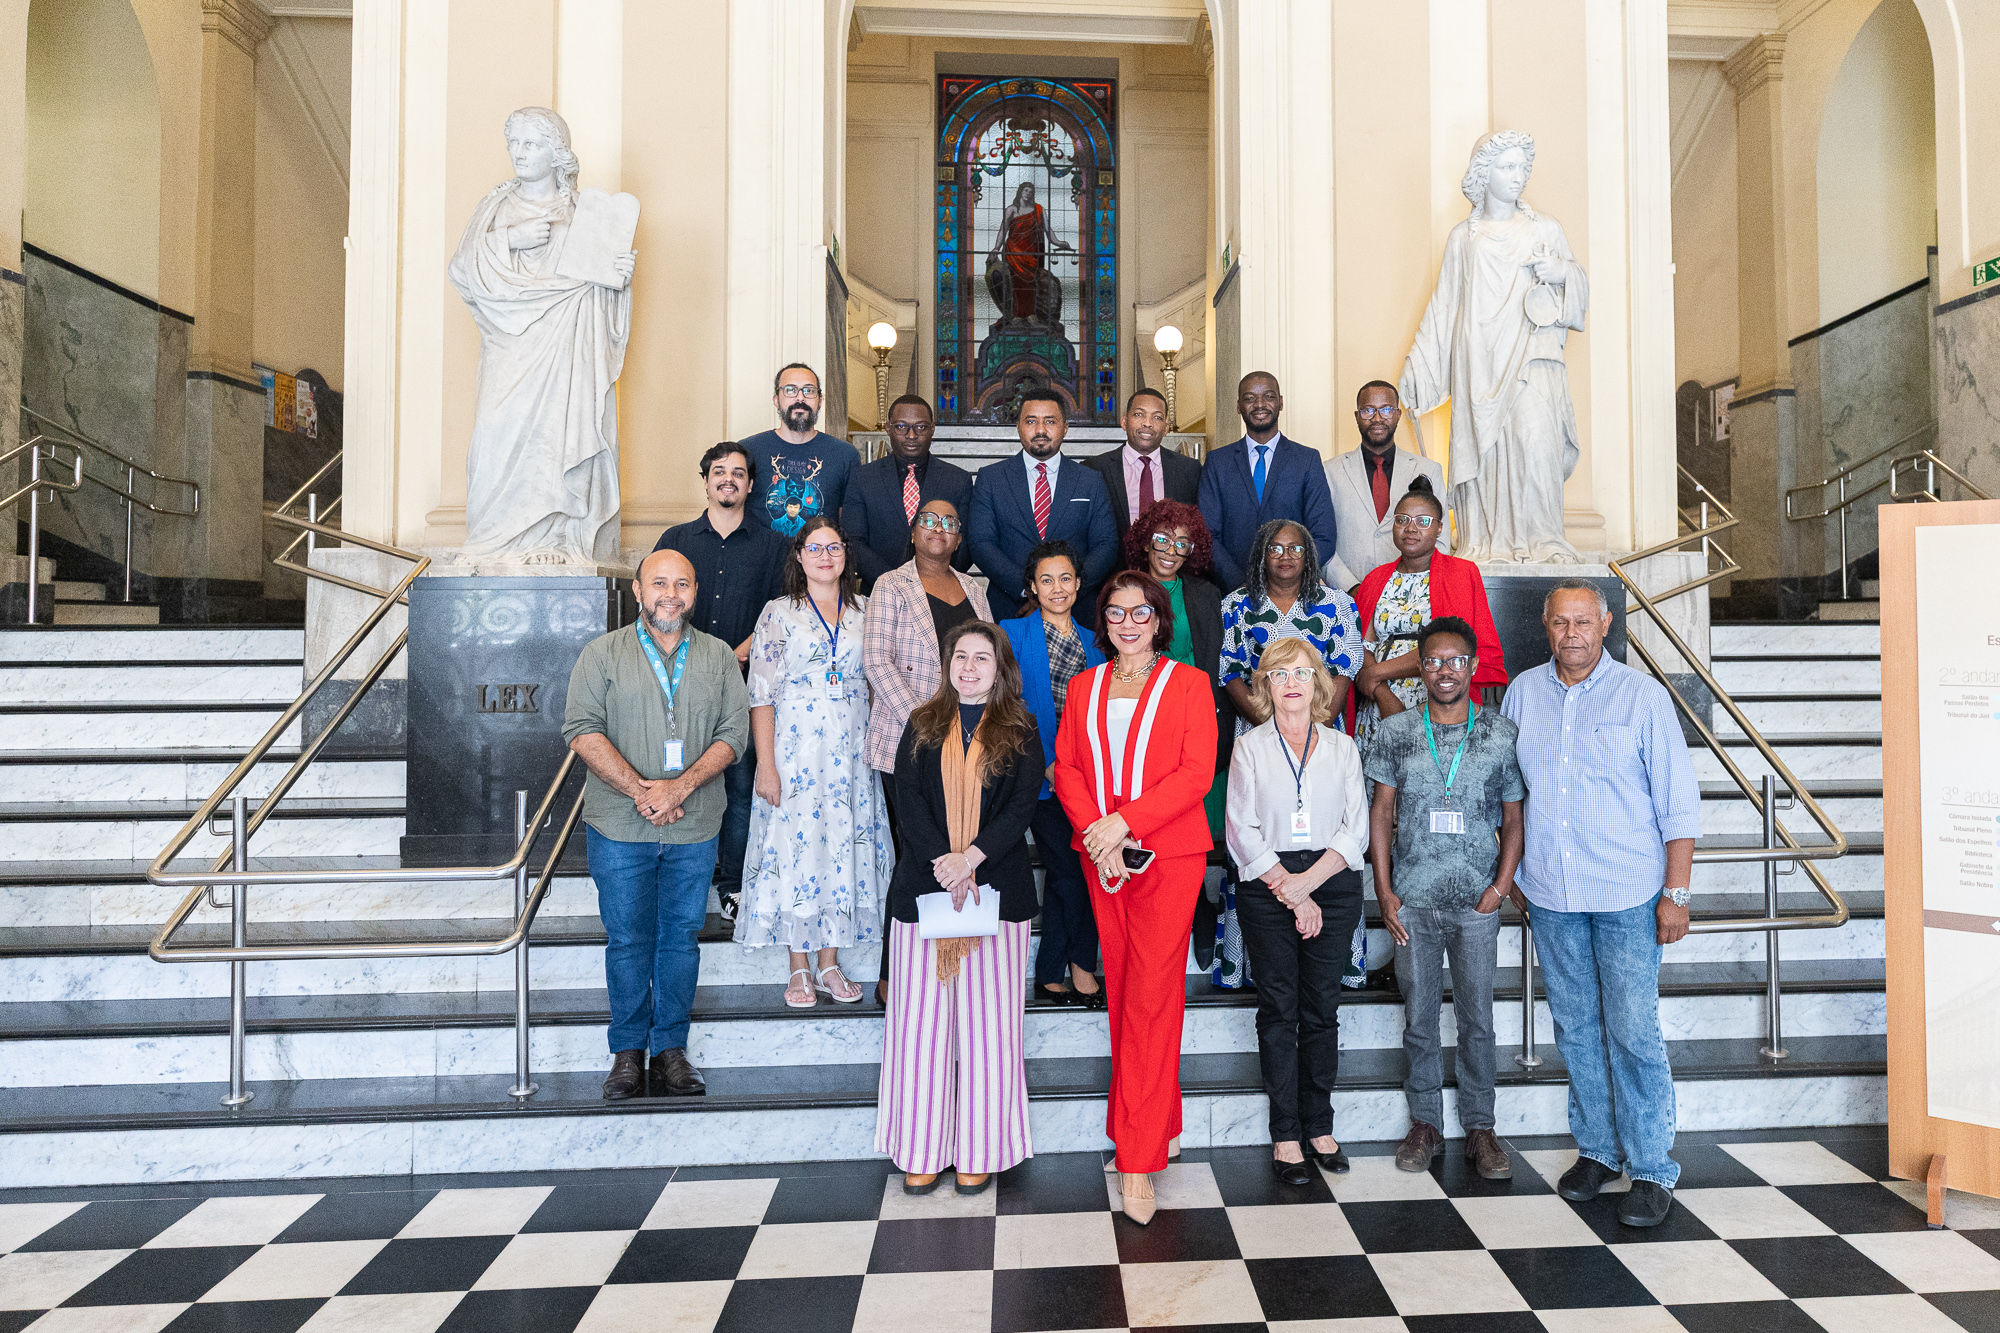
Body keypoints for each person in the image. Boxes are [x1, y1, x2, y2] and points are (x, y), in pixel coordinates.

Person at [1501, 579, 1700, 1229]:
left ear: (1607, 623)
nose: (1573, 633)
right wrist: (1518, 879)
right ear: (1546, 623)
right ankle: (1597, 1150)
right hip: (1553, 896)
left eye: (1584, 621)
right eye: (1561, 622)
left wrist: (1676, 892)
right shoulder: (1523, 692)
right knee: (1577, 1027)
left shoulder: (1642, 698)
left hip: (1627, 894)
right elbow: (1511, 791)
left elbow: (1678, 805)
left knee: (1633, 1031)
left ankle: (1649, 1165)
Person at [1053, 570, 1218, 1226]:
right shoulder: (1084, 685)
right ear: (1106, 620)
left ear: (1158, 620)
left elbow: (1195, 773)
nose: (1128, 623)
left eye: (1140, 612)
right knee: (1128, 991)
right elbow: (1066, 765)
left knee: (1150, 994)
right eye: (1117, 612)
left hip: (1168, 857)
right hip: (1104, 858)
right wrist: (1100, 832)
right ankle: (1162, 1115)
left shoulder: (1189, 684)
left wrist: (1124, 823)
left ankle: (1138, 1156)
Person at [563, 549, 749, 1100]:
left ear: (695, 593)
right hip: (620, 826)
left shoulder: (717, 657)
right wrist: (642, 791)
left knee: (680, 940)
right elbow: (581, 730)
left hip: (693, 828)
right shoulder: (600, 655)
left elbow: (734, 735)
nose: (671, 593)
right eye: (659, 583)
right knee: (627, 940)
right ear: (638, 591)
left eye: (682, 584)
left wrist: (679, 789)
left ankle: (670, 1050)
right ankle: (626, 1054)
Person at [876, 622, 1043, 1195]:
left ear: (1000, 670)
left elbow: (1021, 807)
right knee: (920, 1030)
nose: (969, 667)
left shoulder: (1019, 728)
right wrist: (944, 863)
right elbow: (908, 800)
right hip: (924, 892)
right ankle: (921, 1147)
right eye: (960, 657)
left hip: (996, 895)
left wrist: (971, 857)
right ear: (947, 664)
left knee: (987, 1031)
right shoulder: (921, 724)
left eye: (982, 659)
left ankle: (981, 1146)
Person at [1364, 616, 1524, 1180]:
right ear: (1420, 668)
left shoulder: (1499, 733)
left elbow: (1513, 816)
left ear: (1473, 666)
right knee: (1420, 1018)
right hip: (1413, 903)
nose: (1444, 670)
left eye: (1455, 660)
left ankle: (1481, 1127)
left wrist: (1499, 890)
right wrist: (1385, 892)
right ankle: (1426, 1123)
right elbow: (1380, 813)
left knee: (1478, 1019)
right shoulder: (1397, 731)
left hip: (1475, 905)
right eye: (1432, 661)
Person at [1225, 638, 1368, 1183]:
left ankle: (1319, 1125)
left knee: (1321, 1009)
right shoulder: (1251, 748)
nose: (1291, 683)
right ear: (1265, 685)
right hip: (1268, 885)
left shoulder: (1343, 748)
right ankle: (1285, 1133)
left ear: (1319, 684)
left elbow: (1355, 828)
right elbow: (1240, 828)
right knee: (1279, 1009)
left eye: (1301, 673)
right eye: (1279, 673)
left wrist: (1308, 886)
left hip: (1330, 882)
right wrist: (1291, 890)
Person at [736, 518, 894, 1007]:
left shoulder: (866, 610)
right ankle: (798, 966)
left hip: (851, 754)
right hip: (795, 751)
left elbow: (878, 682)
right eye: (815, 548)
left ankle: (829, 962)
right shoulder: (779, 613)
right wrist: (766, 765)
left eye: (834, 547)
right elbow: (760, 694)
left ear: (846, 554)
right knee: (797, 851)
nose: (825, 556)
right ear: (799, 556)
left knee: (843, 847)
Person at [1216, 520, 1364, 990]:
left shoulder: (1337, 604)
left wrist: (1309, 722)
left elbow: (1345, 669)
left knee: (1326, 831)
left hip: (1321, 733)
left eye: (1295, 548)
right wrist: (1272, 726)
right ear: (1261, 553)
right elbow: (1233, 672)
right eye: (1275, 548)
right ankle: (1250, 965)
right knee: (1257, 835)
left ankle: (1332, 961)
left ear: (1309, 554)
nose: (1285, 556)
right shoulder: (1237, 604)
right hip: (1258, 732)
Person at [653, 442, 791, 921]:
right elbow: (656, 606)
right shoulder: (676, 539)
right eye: (718, 471)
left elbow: (781, 612)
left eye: (738, 472)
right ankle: (679, 874)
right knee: (679, 773)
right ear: (706, 480)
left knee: (738, 779)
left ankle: (732, 881)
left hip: (747, 682)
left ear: (751, 485)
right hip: (679, 679)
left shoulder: (775, 545)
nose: (728, 479)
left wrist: (734, 656)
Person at [1000, 542, 1107, 1008]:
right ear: (1031, 586)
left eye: (1065, 578)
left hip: (1087, 779)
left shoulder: (1097, 642)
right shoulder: (1011, 633)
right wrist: (1046, 760)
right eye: (1046, 580)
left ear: (1079, 584)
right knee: (1068, 869)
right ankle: (1076, 967)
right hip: (1035, 776)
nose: (1057, 588)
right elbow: (1006, 706)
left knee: (1084, 870)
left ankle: (1055, 970)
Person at [1351, 475, 1507, 751]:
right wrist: (1381, 692)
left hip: (1434, 698)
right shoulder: (1376, 578)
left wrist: (1375, 675)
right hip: (1377, 705)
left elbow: (1449, 648)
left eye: (1423, 521)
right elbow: (1362, 643)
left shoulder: (1460, 573)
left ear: (1439, 529)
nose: (1411, 529)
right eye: (1402, 520)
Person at [862, 499, 994, 778]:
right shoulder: (890, 584)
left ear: (957, 541)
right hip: (907, 734)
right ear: (913, 533)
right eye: (929, 520)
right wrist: (925, 723)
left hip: (968, 733)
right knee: (913, 822)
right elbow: (876, 662)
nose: (938, 527)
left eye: (949, 524)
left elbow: (990, 660)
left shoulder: (973, 588)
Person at [1123, 499, 1229, 834]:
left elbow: (1215, 660)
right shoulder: (1124, 590)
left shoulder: (1206, 595)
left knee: (1202, 818)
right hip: (1145, 712)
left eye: (1182, 544)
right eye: (1163, 540)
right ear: (1145, 541)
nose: (1171, 550)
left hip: (1197, 711)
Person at [968, 388, 1119, 614]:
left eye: (1050, 421)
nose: (1040, 430)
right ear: (1018, 426)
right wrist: (1028, 591)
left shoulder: (1090, 480)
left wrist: (1064, 591)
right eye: (1031, 421)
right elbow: (981, 543)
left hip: (1077, 610)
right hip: (1011, 608)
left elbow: (1106, 545)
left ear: (1065, 427)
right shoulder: (991, 478)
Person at [1198, 372, 1339, 592]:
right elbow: (1207, 535)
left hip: (1294, 594)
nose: (1260, 404)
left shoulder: (1307, 460)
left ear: (1280, 403)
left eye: (1269, 396)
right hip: (1232, 593)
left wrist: (1288, 580)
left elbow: (1323, 535)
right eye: (1250, 398)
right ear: (1238, 406)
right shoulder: (1218, 462)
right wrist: (1240, 585)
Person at [1323, 381, 1451, 592]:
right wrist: (1353, 589)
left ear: (1398, 414)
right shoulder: (1329, 471)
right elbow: (1323, 542)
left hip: (1412, 597)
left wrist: (1413, 589)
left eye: (1386, 409)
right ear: (1357, 416)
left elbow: (1440, 541)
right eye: (1368, 410)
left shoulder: (1428, 469)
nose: (1377, 418)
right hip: (1348, 598)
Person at [843, 394, 974, 590]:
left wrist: (935, 581)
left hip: (940, 593)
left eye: (920, 427)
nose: (911, 435)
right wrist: (893, 584)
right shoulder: (862, 478)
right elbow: (853, 540)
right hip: (879, 591)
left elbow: (966, 543)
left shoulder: (958, 480)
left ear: (932, 429)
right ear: (888, 428)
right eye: (901, 426)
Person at [743, 364, 861, 538]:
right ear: (776, 399)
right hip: (762, 562)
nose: (800, 398)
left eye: (809, 390)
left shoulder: (845, 455)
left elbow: (850, 523)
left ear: (820, 401)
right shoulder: (748, 450)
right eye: (790, 390)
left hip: (819, 561)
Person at [1085, 388, 1202, 551]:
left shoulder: (1189, 470)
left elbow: (1195, 529)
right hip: (1115, 572)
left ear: (1166, 428)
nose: (1148, 423)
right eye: (1139, 414)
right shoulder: (1095, 469)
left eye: (1157, 417)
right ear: (1124, 422)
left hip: (1170, 567)